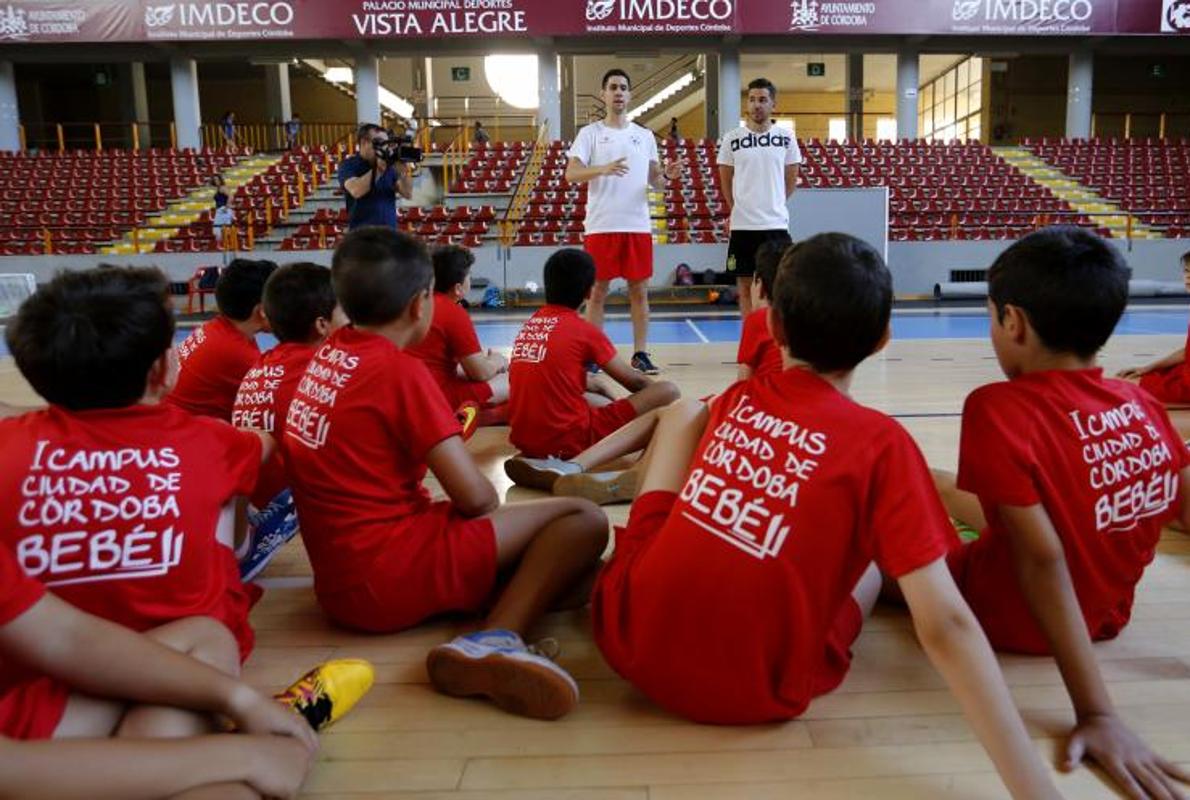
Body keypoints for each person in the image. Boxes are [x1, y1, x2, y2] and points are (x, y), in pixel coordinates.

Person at [589, 234, 1062, 799]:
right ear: (884, 339)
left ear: (772, 327)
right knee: (864, 557)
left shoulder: (737, 401)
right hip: (754, 691)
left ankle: (615, 512)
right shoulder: (882, 444)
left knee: (685, 415)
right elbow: (947, 625)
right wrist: (1038, 791)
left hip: (627, 639)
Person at [283, 228, 609, 720]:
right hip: (390, 572)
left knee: (579, 576)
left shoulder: (324, 358)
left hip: (339, 583)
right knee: (584, 521)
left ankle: (487, 618)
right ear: (420, 304)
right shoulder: (398, 372)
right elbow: (478, 500)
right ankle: (489, 642)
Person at [932, 227, 1190, 799]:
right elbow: (1177, 501)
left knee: (885, 536)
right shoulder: (1142, 403)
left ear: (1013, 323)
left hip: (1009, 613)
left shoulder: (997, 408)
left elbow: (1041, 559)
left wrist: (1097, 712)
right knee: (938, 482)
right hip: (1107, 612)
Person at [1, 266, 276, 665]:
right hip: (191, 655)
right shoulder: (207, 440)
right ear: (162, 370)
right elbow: (264, 445)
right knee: (229, 486)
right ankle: (239, 552)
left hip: (48, 660)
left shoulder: (13, 444)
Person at [502, 248, 680, 504]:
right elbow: (636, 382)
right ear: (589, 292)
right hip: (569, 439)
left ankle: (541, 460)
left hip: (525, 438)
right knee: (669, 392)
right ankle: (623, 470)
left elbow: (554, 373)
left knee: (598, 398)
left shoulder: (531, 324)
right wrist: (656, 409)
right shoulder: (584, 330)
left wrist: (601, 391)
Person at [565, 69, 681, 376]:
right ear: (603, 94)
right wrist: (602, 168)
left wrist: (667, 176)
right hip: (602, 224)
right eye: (613, 87)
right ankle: (593, 355)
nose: (618, 92)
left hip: (637, 225)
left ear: (630, 95)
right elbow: (571, 174)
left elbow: (656, 184)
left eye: (623, 88)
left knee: (639, 292)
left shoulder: (644, 136)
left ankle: (640, 354)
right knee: (597, 293)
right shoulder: (589, 134)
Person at [232, 262, 343, 581]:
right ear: (323, 325)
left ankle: (244, 533)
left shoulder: (262, 363)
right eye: (343, 314)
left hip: (249, 492)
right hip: (284, 495)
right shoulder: (322, 369)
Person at [717, 77, 802, 318]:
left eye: (763, 100)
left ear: (773, 104)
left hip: (775, 225)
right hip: (743, 226)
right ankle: (751, 342)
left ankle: (775, 342)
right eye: (752, 100)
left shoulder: (786, 137)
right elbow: (726, 181)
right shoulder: (731, 139)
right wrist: (737, 210)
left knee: (777, 287)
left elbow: (791, 180)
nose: (757, 105)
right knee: (744, 287)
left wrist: (773, 203)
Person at [167, 258, 277, 422]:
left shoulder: (216, 328)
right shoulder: (237, 352)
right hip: (183, 434)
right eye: (280, 301)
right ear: (262, 311)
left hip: (173, 422)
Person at [408, 244, 510, 412]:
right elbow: (480, 373)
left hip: (410, 392)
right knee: (510, 380)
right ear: (458, 288)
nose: (470, 279)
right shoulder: (452, 312)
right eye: (469, 275)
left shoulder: (415, 302)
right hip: (434, 398)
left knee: (463, 371)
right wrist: (498, 361)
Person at [1118, 249, 1190, 402]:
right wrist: (1147, 367)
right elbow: (1187, 352)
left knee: (1125, 387)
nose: (1188, 277)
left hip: (1187, 382)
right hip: (1184, 371)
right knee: (1141, 377)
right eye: (1186, 271)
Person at [338, 123, 413, 231]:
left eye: (386, 143)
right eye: (380, 143)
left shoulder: (389, 165)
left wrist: (403, 171)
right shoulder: (348, 165)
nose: (385, 148)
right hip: (362, 236)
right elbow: (356, 191)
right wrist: (379, 169)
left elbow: (407, 193)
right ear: (364, 143)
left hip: (389, 234)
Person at [737, 237, 790, 381]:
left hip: (767, 398)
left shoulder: (757, 319)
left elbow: (743, 381)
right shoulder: (812, 315)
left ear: (759, 285)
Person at [211, 175, 234, 248]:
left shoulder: (223, 188)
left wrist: (226, 207)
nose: (216, 181)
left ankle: (227, 245)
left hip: (223, 209)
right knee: (218, 230)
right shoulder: (218, 189)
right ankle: (224, 245)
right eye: (214, 180)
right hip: (219, 210)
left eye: (217, 180)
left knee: (220, 229)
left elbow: (231, 196)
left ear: (220, 180)